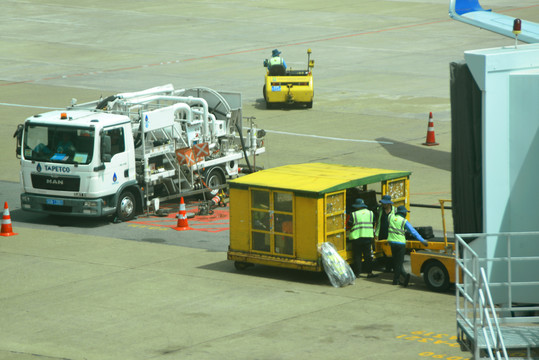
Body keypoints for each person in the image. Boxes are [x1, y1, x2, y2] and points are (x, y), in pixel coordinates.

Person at [387, 205, 428, 287]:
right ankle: (396, 280)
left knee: (396, 262)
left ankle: (403, 277)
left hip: (392, 243)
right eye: (405, 212)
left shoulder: (390, 217)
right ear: (403, 213)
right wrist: (422, 240)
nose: (406, 213)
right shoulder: (404, 221)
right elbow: (413, 232)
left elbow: (391, 210)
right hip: (400, 244)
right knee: (399, 262)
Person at [348, 198, 377, 278]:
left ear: (357, 206)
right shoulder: (371, 213)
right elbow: (374, 222)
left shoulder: (354, 214)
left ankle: (358, 273)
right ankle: (369, 273)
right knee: (368, 256)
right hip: (367, 237)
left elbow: (349, 224)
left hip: (357, 238)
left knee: (357, 256)